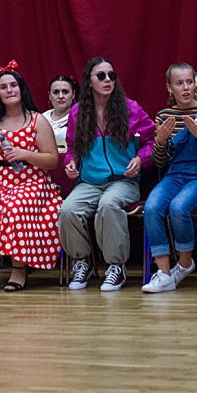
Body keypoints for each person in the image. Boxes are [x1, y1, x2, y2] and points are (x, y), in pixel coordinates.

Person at [59, 57, 155, 293]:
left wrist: (140, 159)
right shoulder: (78, 112)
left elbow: (153, 141)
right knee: (67, 210)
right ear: (89, 81)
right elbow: (72, 148)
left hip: (123, 181)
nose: (107, 80)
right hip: (89, 182)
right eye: (101, 76)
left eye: (111, 75)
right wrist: (71, 163)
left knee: (109, 204)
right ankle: (83, 261)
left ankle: (116, 265)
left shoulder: (130, 108)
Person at [0, 67, 62, 291]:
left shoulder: (37, 120)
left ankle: (19, 268)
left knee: (16, 208)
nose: (9, 90)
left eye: (13, 85)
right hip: (1, 181)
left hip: (34, 181)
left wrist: (25, 154)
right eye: (3, 87)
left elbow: (53, 160)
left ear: (21, 89)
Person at [141, 63, 197, 293]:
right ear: (170, 88)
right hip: (174, 174)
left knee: (178, 207)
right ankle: (164, 274)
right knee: (152, 207)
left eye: (189, 82)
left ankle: (185, 263)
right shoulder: (164, 116)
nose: (186, 87)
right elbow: (160, 161)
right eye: (179, 83)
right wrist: (160, 141)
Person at [45, 75, 77, 151]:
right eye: (56, 92)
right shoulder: (42, 118)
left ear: (73, 94)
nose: (61, 96)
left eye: (65, 92)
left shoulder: (80, 117)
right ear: (49, 95)